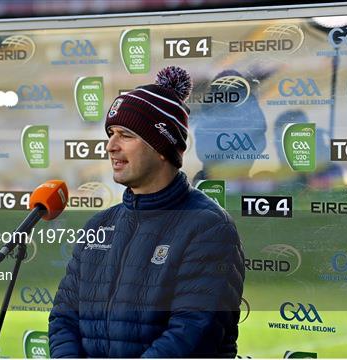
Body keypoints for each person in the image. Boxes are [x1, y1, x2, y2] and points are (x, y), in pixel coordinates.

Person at [49, 66, 245, 358]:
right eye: (111, 134)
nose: (111, 146)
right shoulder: (99, 225)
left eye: (126, 135)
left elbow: (192, 334)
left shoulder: (208, 227)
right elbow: (64, 318)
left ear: (162, 147)